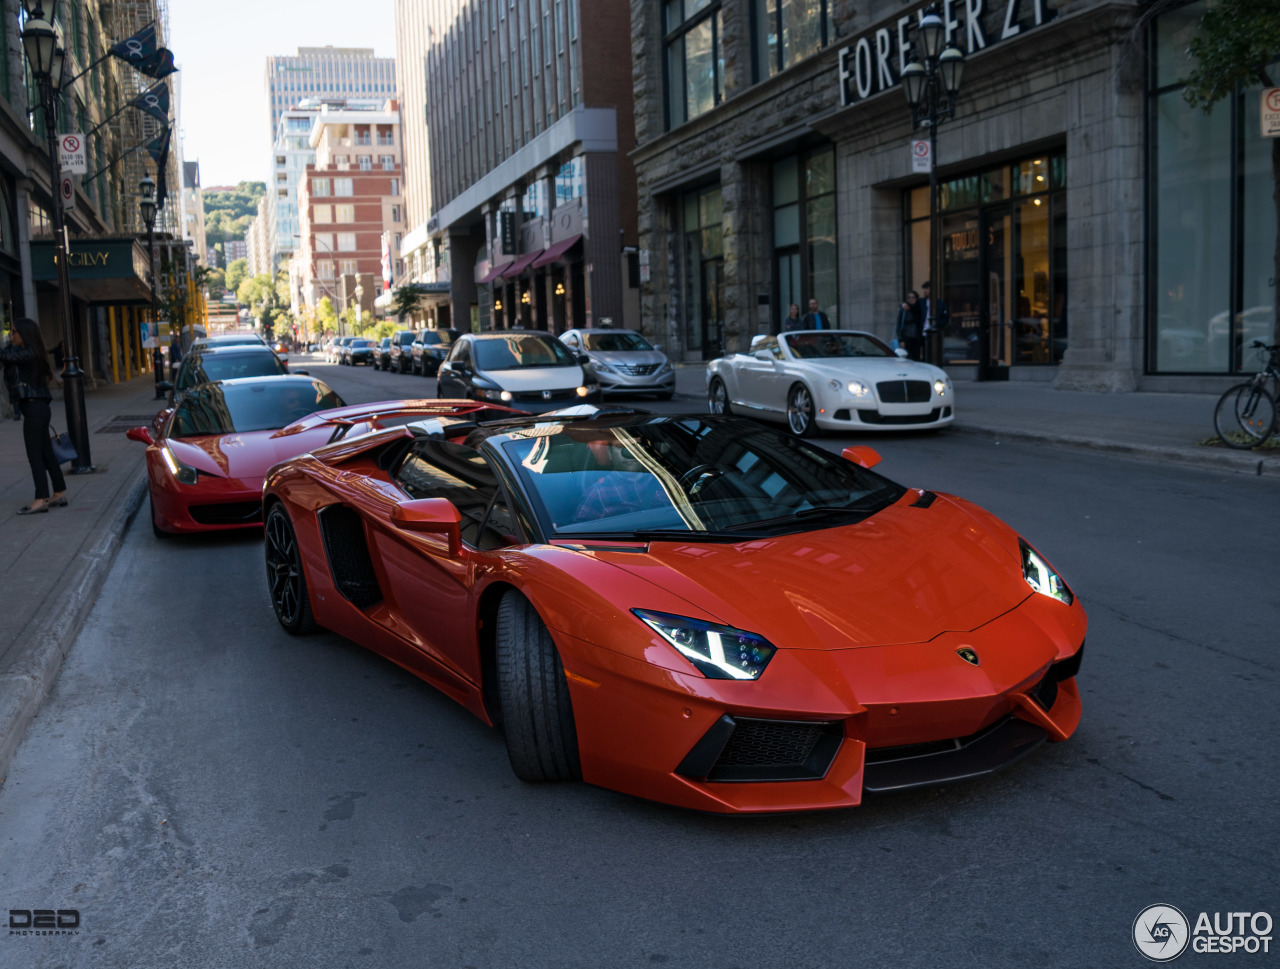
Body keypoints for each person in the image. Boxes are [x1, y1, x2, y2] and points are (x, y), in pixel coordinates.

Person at [0, 319, 67, 514]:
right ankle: (58, 493)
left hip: (35, 409)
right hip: (37, 409)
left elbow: (4, 355)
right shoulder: (29, 352)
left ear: (24, 334)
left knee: (34, 454)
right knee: (45, 452)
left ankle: (40, 499)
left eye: (14, 332)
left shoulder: (29, 353)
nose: (11, 335)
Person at [920, 280, 950, 362]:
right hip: (921, 332)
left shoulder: (940, 303)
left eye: (927, 289)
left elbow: (945, 317)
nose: (925, 291)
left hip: (934, 332)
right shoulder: (921, 302)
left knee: (934, 352)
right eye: (924, 289)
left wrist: (938, 326)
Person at [895, 291, 925, 361]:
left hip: (917, 338)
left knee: (916, 358)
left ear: (916, 298)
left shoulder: (920, 308)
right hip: (906, 338)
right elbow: (899, 325)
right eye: (909, 297)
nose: (911, 299)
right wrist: (901, 339)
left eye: (913, 297)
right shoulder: (904, 310)